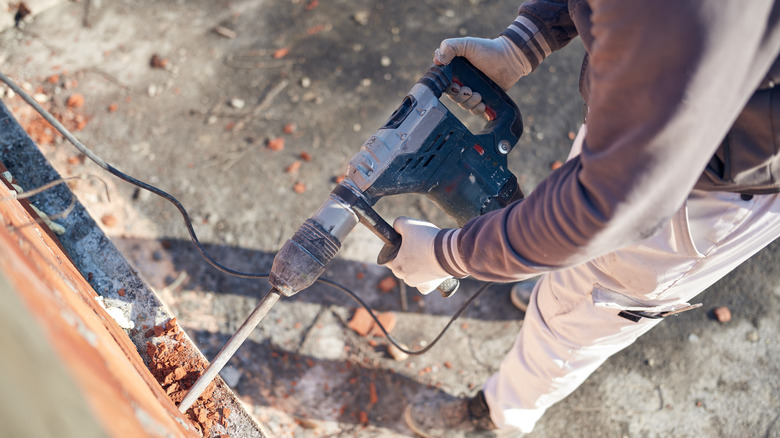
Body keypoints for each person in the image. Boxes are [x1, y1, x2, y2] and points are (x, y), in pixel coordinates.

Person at [383, 0, 780, 436]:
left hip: (697, 189)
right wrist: (526, 40)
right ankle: (555, 268)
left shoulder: (685, 19)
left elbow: (608, 206)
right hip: (645, 123)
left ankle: (500, 415)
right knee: (567, 267)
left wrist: (448, 254)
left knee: (571, 325)